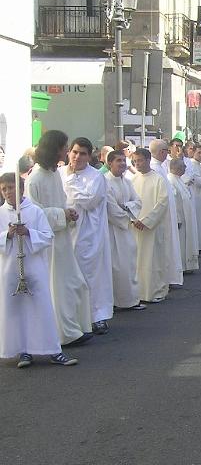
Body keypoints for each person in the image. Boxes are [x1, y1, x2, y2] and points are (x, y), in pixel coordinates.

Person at [0, 173, 78, 367]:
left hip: (34, 267)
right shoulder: (1, 213)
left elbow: (47, 236)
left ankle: (53, 350)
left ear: (20, 188)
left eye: (11, 187)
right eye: (4, 189)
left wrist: (28, 233)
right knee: (15, 310)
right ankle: (23, 350)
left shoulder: (35, 211)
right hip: (10, 269)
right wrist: (7, 235)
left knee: (42, 307)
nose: (8, 192)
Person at [26, 130, 93, 346]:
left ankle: (77, 327)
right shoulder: (35, 178)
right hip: (49, 244)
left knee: (75, 283)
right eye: (64, 147)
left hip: (62, 238)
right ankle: (65, 334)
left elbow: (60, 202)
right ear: (54, 148)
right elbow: (32, 215)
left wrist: (68, 213)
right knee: (59, 288)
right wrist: (61, 214)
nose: (67, 150)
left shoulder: (54, 173)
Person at [58, 137, 114, 335]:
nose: (77, 157)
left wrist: (72, 180)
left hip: (89, 235)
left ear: (90, 157)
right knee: (67, 278)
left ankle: (96, 316)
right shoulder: (58, 174)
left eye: (82, 153)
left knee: (90, 275)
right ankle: (71, 318)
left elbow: (89, 201)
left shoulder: (96, 177)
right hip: (65, 231)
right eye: (74, 152)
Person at [130, 148, 171, 303]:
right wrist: (134, 219)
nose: (137, 164)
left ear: (148, 160)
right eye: (134, 161)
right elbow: (128, 202)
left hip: (152, 228)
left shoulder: (158, 179)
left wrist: (146, 221)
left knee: (152, 259)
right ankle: (138, 292)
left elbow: (162, 203)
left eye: (139, 160)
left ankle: (154, 291)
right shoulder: (133, 179)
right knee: (137, 260)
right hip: (135, 226)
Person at [104, 150, 142, 310]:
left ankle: (130, 300)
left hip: (126, 229)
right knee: (116, 267)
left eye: (123, 160)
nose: (122, 163)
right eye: (118, 160)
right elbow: (111, 208)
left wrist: (126, 208)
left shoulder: (127, 182)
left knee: (129, 264)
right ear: (109, 163)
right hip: (112, 230)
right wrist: (126, 214)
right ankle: (116, 301)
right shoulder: (105, 182)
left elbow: (138, 201)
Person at [149, 139, 183, 288]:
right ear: (162, 152)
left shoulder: (160, 167)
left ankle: (169, 276)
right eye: (166, 151)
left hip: (167, 212)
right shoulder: (154, 169)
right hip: (162, 215)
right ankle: (165, 277)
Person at [166, 158, 199, 273]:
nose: (185, 168)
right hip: (180, 219)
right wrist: (178, 218)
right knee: (181, 243)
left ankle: (187, 265)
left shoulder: (178, 179)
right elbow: (173, 202)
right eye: (183, 166)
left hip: (186, 218)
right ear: (176, 167)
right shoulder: (170, 180)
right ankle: (181, 267)